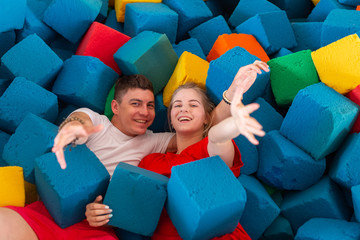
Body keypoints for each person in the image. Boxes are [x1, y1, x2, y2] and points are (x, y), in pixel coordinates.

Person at [0, 61, 269, 240]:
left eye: (151, 106)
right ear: (115, 107)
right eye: (136, 104)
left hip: (105, 227)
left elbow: (211, 134)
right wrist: (73, 129)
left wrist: (231, 100)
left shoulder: (160, 144)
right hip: (57, 209)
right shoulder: (109, 129)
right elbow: (80, 122)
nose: (144, 112)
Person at [86, 81, 265, 239]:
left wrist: (234, 124)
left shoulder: (209, 150)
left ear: (206, 118)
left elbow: (218, 139)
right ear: (171, 118)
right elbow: (131, 210)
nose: (184, 109)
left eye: (193, 105)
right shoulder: (150, 161)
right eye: (177, 105)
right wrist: (98, 214)